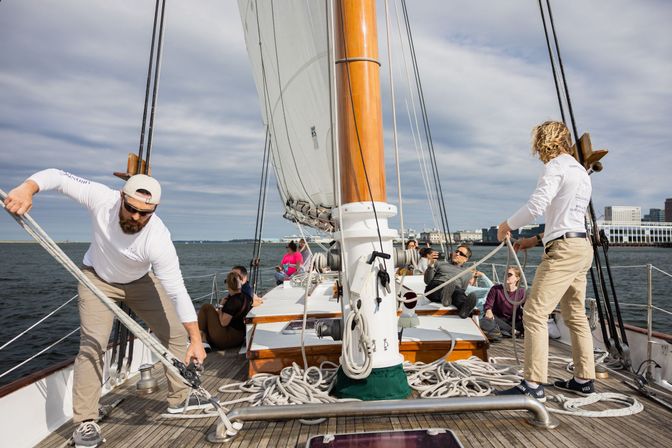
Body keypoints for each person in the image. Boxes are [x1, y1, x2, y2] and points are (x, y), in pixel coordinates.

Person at [3, 169, 210, 447]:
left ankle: (180, 398)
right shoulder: (102, 199)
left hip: (140, 282)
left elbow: (177, 291)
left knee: (175, 335)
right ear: (122, 197)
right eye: (131, 208)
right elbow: (58, 177)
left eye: (144, 213)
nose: (136, 217)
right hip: (96, 279)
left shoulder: (158, 238)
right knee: (93, 345)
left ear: (154, 210)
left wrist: (196, 340)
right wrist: (27, 189)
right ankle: (86, 422)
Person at [495, 120, 595, 402]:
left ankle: (533, 383)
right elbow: (566, 219)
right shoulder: (580, 172)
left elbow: (536, 206)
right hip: (581, 246)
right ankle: (584, 379)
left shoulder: (555, 167)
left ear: (545, 141)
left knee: (535, 313)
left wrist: (507, 224)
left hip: (563, 251)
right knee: (575, 316)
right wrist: (532, 241)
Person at [198, 271, 252, 352]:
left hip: (228, 339)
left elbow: (223, 323)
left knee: (206, 307)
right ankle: (203, 338)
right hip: (240, 337)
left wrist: (220, 306)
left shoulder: (233, 301)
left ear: (228, 285)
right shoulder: (247, 297)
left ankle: (203, 339)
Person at [423, 244, 478, 318]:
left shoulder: (467, 273)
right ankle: (445, 296)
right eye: (456, 251)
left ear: (466, 259)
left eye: (461, 253)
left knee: (459, 293)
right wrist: (431, 265)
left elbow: (463, 289)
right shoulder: (440, 264)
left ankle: (463, 310)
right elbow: (427, 281)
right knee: (446, 287)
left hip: (454, 289)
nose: (457, 254)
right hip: (436, 287)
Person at [482, 267, 526, 338]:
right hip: (499, 319)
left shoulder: (522, 292)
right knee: (488, 317)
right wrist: (488, 310)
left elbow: (526, 308)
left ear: (517, 278)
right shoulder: (496, 289)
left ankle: (506, 332)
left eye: (509, 274)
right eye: (505, 274)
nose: (506, 276)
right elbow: (488, 305)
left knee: (526, 321)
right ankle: (512, 332)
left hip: (514, 321)